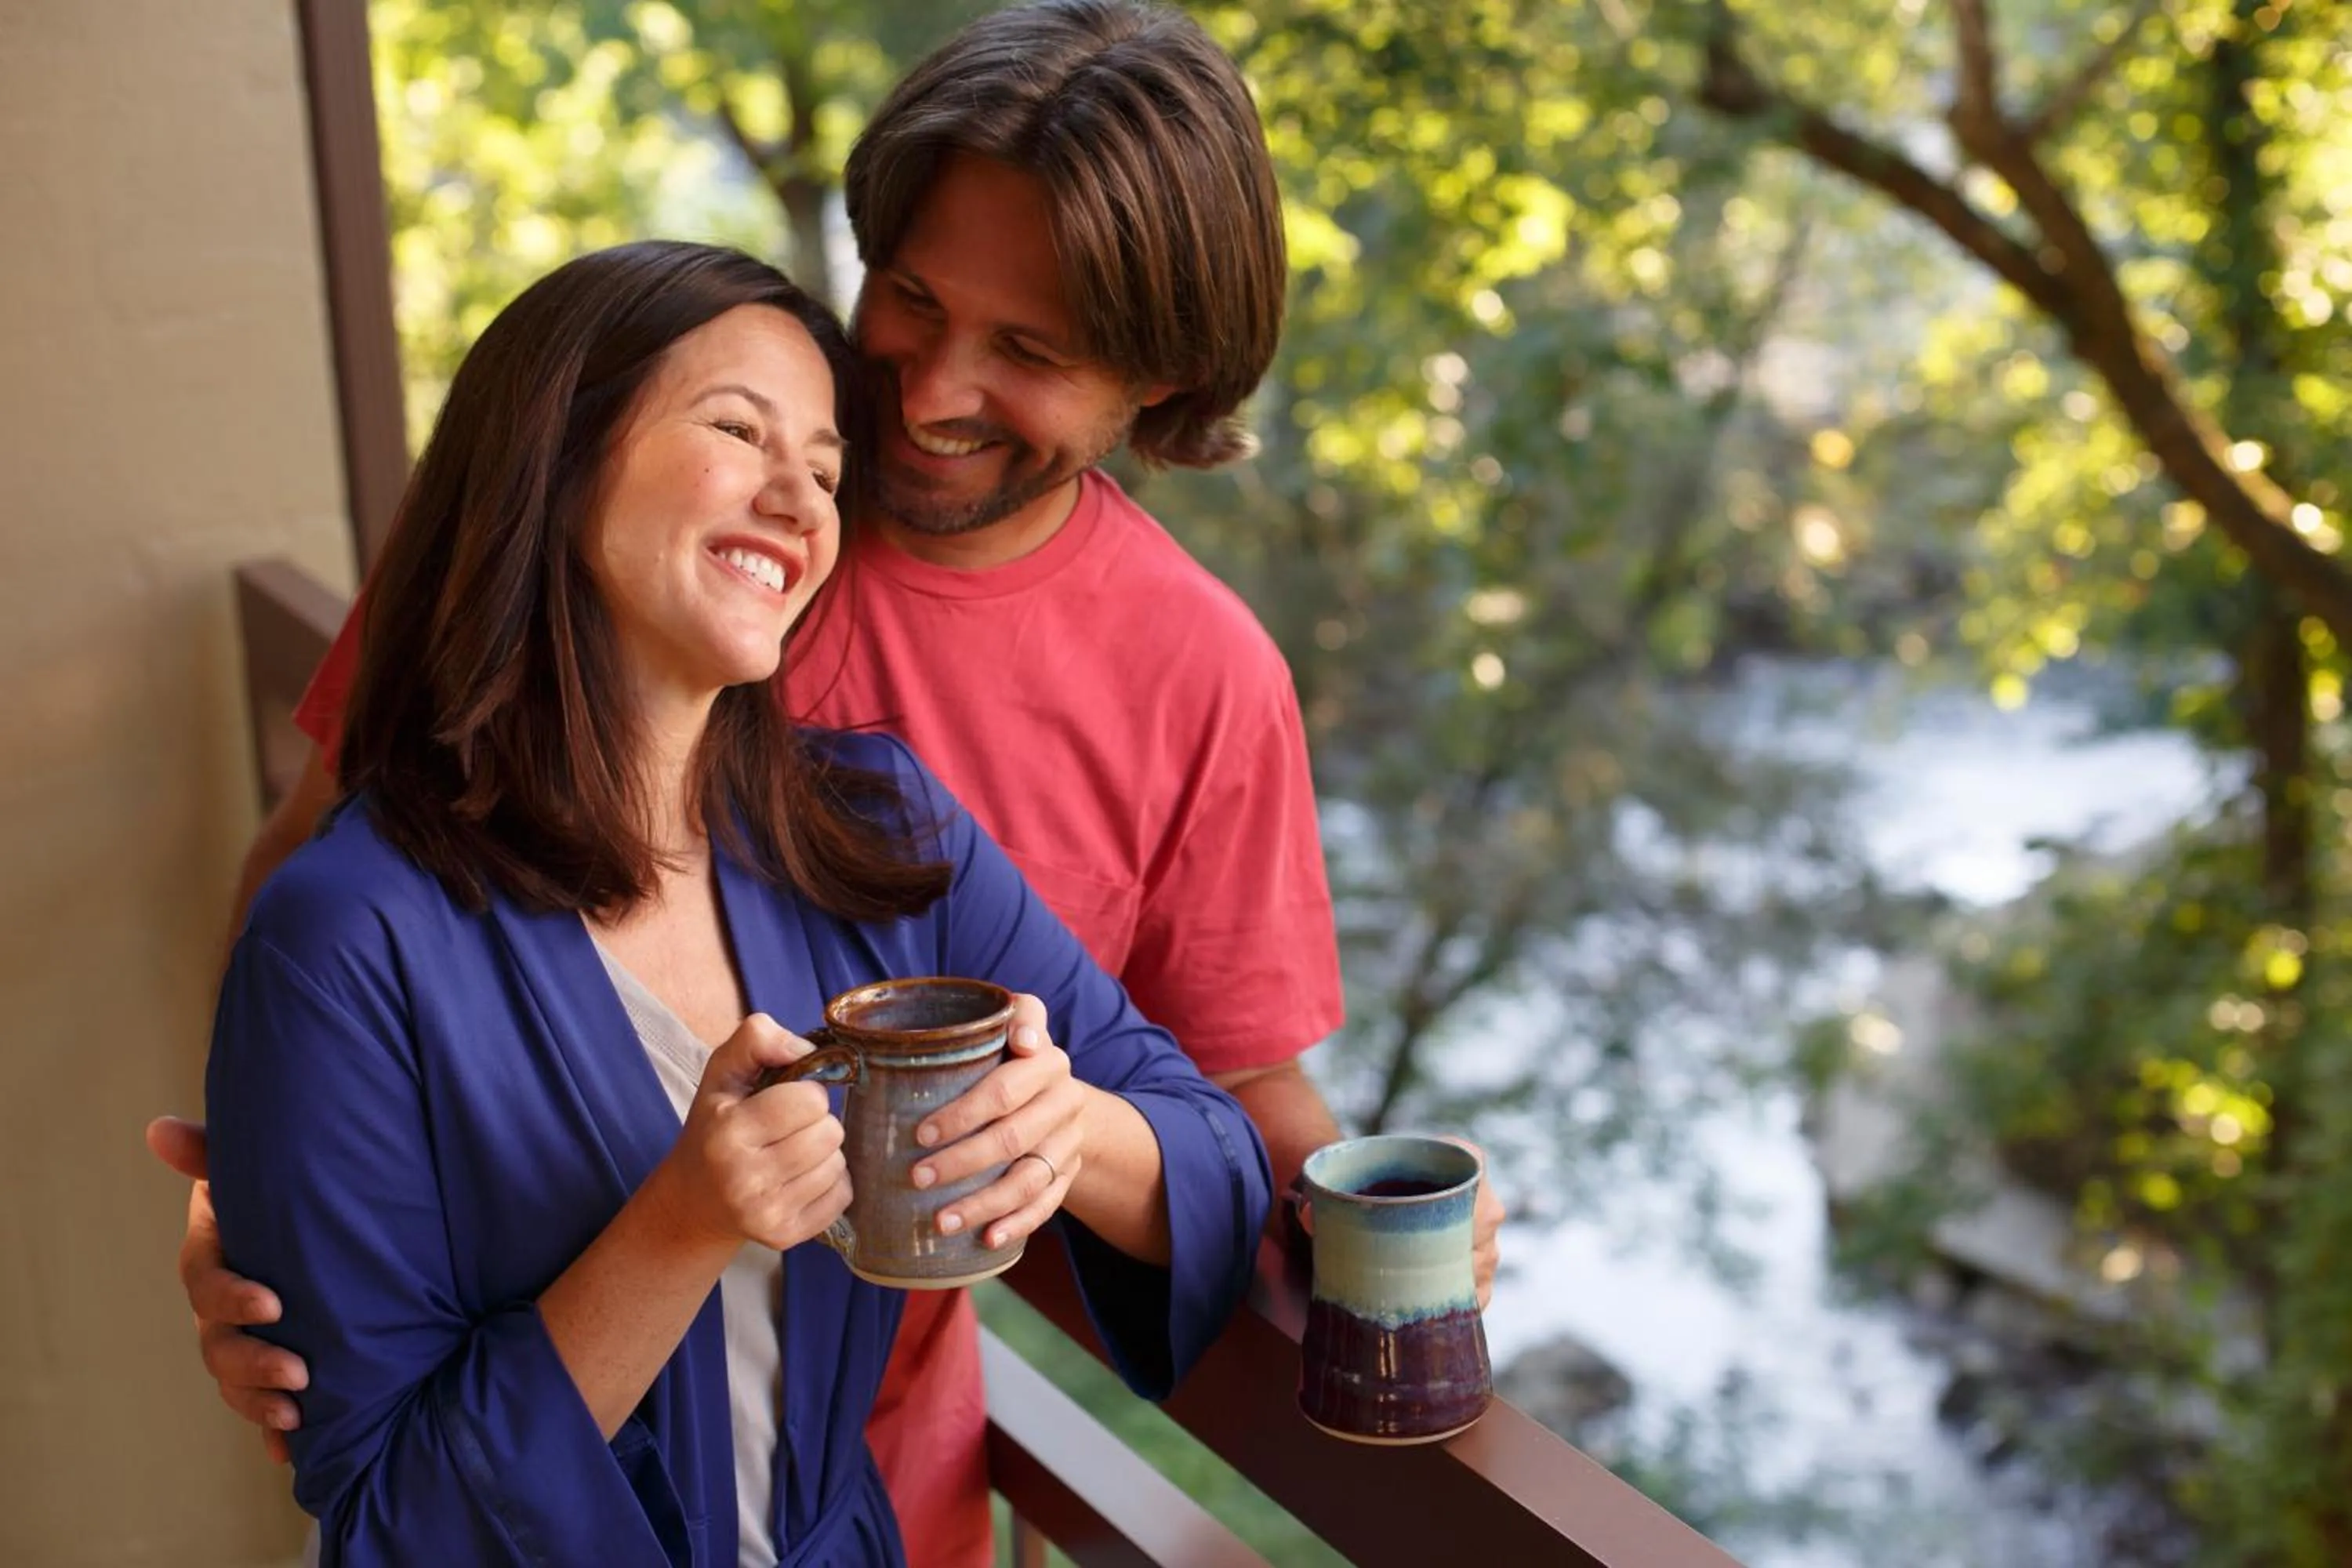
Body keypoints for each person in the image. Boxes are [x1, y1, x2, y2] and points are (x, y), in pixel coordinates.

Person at [157, 3, 1504, 1563]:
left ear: (1161, 377)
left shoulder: (1113, 713)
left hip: (865, 1490)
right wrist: (278, 1224)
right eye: (913, 300)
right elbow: (313, 903)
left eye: (1029, 352)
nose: (921, 397)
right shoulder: (588, 506)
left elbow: (1224, 1100)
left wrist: (1379, 1221)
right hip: (533, 1480)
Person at [203, 237, 1272, 1566]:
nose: (802, 500)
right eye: (736, 429)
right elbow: (389, 1522)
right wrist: (682, 1224)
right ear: (556, 449)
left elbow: (1213, 1144)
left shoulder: (878, 832)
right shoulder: (346, 938)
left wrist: (1068, 1128)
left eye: (826, 468)